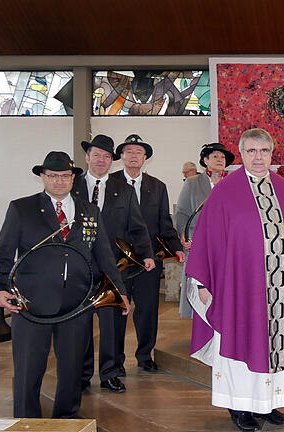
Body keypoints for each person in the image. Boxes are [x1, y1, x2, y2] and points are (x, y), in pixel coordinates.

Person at [186, 128, 284, 432]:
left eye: (263, 151)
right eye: (251, 151)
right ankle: (240, 405)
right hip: (238, 290)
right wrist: (203, 284)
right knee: (240, 341)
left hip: (281, 294)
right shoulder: (224, 191)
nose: (257, 157)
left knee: (277, 343)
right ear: (242, 154)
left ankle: (269, 403)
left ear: (272, 154)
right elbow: (207, 239)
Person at [0, 151, 130, 418]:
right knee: (29, 370)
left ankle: (66, 419)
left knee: (72, 369)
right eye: (52, 176)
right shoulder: (22, 208)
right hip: (31, 303)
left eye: (65, 176)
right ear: (43, 177)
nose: (59, 181)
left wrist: (119, 291)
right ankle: (27, 421)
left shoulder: (89, 211)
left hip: (76, 305)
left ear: (73, 178)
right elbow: (3, 253)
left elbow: (104, 256)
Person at [71, 134, 155, 394]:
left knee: (110, 325)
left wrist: (147, 254)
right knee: (80, 325)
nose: (101, 160)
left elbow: (137, 227)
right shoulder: (71, 187)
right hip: (78, 268)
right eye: (96, 155)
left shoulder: (125, 190)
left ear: (112, 160)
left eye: (106, 156)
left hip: (112, 268)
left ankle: (110, 372)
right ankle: (82, 375)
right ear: (87, 157)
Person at [110, 134, 186, 374]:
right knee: (116, 313)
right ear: (121, 156)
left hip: (148, 261)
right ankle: (115, 361)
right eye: (129, 151)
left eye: (138, 152)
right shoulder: (109, 184)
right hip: (117, 261)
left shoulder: (157, 187)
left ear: (145, 158)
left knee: (147, 310)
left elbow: (165, 223)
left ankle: (144, 356)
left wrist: (176, 247)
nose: (134, 156)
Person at [175, 142, 234, 318]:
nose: (219, 159)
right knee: (201, 291)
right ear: (205, 160)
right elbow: (182, 213)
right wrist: (183, 235)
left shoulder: (233, 183)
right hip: (200, 245)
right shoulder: (193, 183)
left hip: (227, 246)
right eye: (215, 156)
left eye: (222, 157)